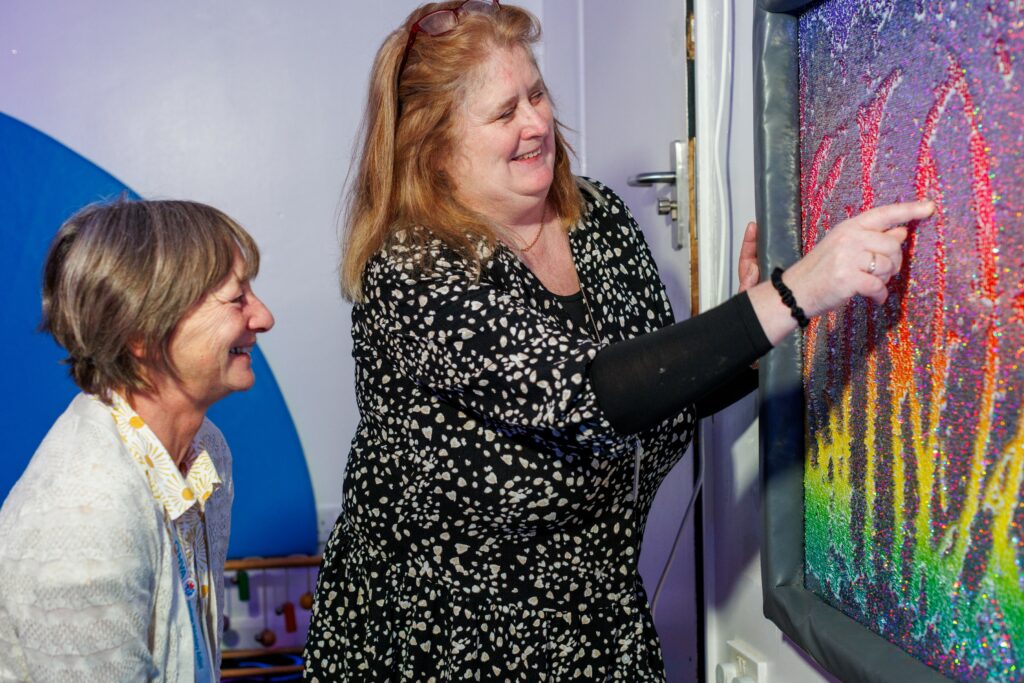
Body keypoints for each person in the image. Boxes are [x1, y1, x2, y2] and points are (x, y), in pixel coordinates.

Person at [302, 1, 934, 680]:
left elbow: (653, 389)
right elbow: (589, 393)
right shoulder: (412, 267)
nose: (538, 122)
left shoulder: (595, 216)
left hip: (594, 622)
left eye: (537, 93)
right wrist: (794, 292)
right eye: (503, 112)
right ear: (434, 149)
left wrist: (750, 336)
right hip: (441, 640)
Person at [0, 199, 275, 682]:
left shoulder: (207, 452)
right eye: (236, 299)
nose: (264, 318)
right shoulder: (83, 522)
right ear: (142, 332)